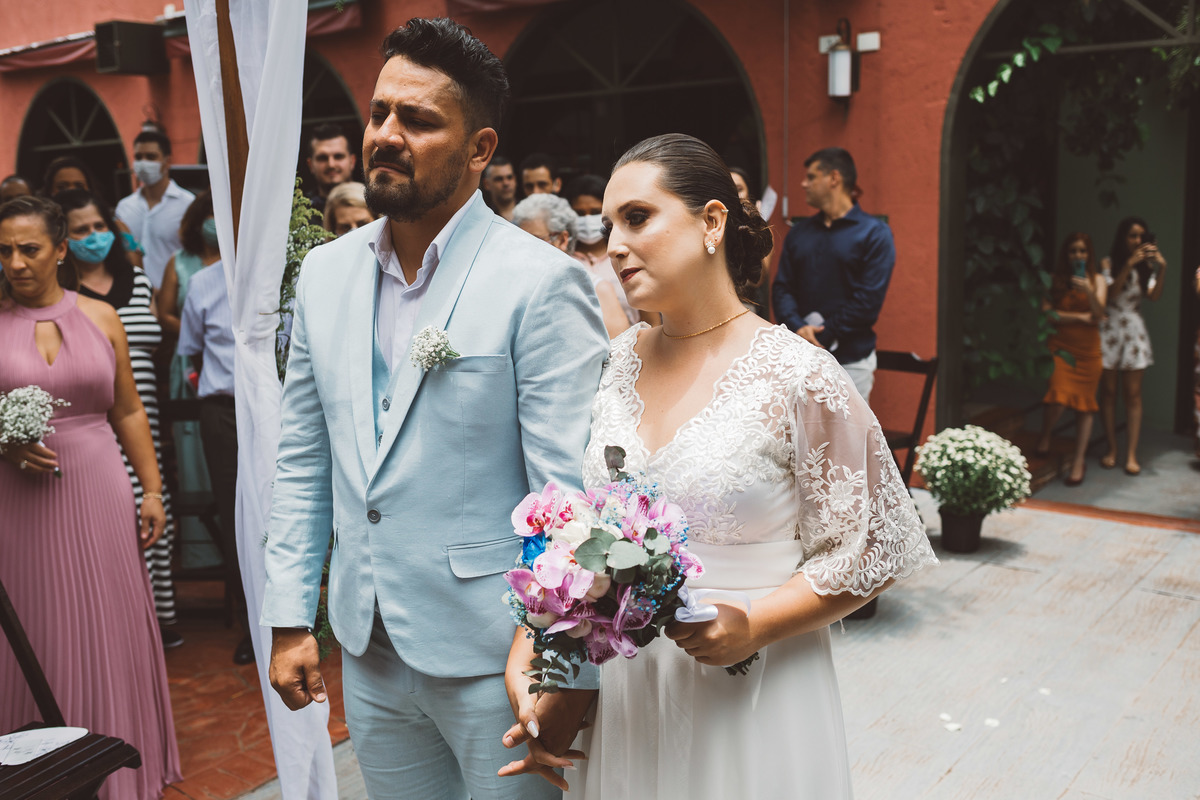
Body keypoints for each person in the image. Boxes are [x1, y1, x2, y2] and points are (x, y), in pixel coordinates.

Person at [502, 133, 936, 798]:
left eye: (638, 218)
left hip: (755, 689)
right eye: (609, 223)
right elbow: (586, 525)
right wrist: (539, 635)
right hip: (631, 691)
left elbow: (873, 547)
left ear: (711, 222)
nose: (614, 244)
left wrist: (757, 624)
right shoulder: (618, 362)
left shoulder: (796, 375)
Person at [261, 18, 608, 800]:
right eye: (381, 112)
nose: (386, 135)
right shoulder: (324, 274)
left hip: (500, 657)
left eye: (417, 120)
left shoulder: (539, 282)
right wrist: (289, 618)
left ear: (479, 148)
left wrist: (565, 668)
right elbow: (303, 458)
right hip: (369, 644)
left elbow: (568, 500)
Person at [0, 195, 182, 799]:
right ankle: (34, 774)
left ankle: (117, 768)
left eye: (29, 249)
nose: (16, 262)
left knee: (109, 620)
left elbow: (128, 408)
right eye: (4, 251)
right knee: (34, 625)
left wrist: (152, 491)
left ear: (60, 249)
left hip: (101, 487)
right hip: (18, 502)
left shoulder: (103, 315)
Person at [57, 188, 181, 643]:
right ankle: (125, 626)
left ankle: (161, 624)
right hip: (99, 427)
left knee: (154, 512)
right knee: (121, 526)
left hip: (143, 417)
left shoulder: (139, 280)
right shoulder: (66, 296)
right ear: (63, 242)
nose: (94, 237)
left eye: (100, 227)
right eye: (82, 231)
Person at [176, 237, 255, 665]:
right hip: (222, 412)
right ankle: (250, 628)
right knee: (234, 516)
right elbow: (189, 353)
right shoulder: (203, 282)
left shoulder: (288, 273)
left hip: (278, 407)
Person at [771, 147, 895, 404]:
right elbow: (782, 288)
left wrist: (821, 336)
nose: (804, 184)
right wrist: (798, 329)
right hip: (799, 358)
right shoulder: (799, 233)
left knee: (848, 441)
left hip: (852, 361)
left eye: (811, 176)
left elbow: (867, 302)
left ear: (834, 179)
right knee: (799, 440)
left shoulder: (874, 234)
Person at [1035, 233, 1106, 486]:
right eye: (1074, 251)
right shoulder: (1054, 281)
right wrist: (1077, 318)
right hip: (1061, 348)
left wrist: (1087, 290)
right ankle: (1045, 434)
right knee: (1058, 394)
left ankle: (1078, 460)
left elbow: (1099, 314)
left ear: (1089, 254)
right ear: (1066, 255)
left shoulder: (1097, 280)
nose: (1078, 256)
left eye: (1083, 251)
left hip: (1089, 352)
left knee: (1086, 406)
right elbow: (1047, 314)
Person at [1098, 216, 1166, 475]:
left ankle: (1131, 454)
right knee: (1108, 392)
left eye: (1141, 236)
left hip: (1134, 333)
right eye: (1132, 235)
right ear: (1123, 237)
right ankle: (1112, 449)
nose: (1137, 241)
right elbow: (1109, 295)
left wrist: (1161, 267)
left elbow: (1155, 296)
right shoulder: (1109, 263)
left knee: (1133, 395)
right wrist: (1128, 264)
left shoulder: (1146, 267)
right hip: (1110, 329)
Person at [115, 129, 195, 289]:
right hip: (136, 297)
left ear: (167, 161)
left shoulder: (187, 204)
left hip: (176, 297)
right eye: (138, 157)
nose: (143, 163)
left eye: (151, 157)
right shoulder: (124, 207)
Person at [563, 175, 640, 337]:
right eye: (579, 213)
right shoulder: (563, 260)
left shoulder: (625, 254)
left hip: (633, 354)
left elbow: (652, 320)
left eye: (595, 212)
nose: (587, 219)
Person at [42, 156, 145, 270]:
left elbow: (136, 272)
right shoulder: (42, 231)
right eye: (62, 187)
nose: (72, 191)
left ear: (90, 189)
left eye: (79, 185)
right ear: (50, 192)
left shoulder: (117, 228)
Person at [305, 123, 358, 213]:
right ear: (311, 165)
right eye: (322, 158)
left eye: (338, 156)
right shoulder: (298, 212)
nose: (331, 165)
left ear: (352, 161)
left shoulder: (373, 205)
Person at [483, 156, 517, 220]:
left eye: (509, 177)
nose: (506, 183)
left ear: (515, 180)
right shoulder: (484, 217)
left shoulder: (530, 211)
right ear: (486, 184)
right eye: (499, 179)